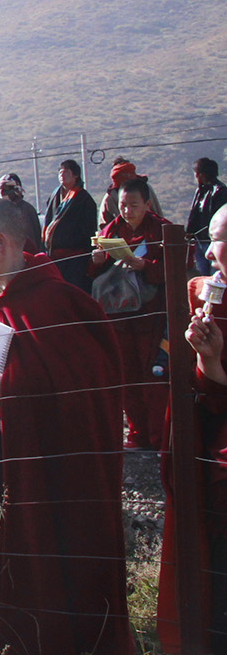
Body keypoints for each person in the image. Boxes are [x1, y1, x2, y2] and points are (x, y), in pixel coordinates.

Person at [0, 198, 132, 655]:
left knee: (46, 570)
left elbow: (90, 389)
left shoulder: (60, 302)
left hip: (43, 468)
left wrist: (16, 389)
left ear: (0, 242)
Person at [156, 203, 227, 653]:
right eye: (214, 240)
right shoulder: (207, 296)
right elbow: (215, 396)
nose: (213, 251)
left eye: (221, 240)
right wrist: (208, 357)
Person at [90, 176, 171, 450]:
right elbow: (96, 275)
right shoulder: (112, 230)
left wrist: (145, 265)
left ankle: (160, 436)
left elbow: (175, 268)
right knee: (126, 375)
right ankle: (137, 433)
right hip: (119, 314)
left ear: (148, 204)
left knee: (154, 375)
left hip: (151, 315)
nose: (127, 211)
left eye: (134, 205)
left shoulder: (162, 230)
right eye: (123, 205)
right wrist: (97, 261)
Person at [42, 158, 99, 290]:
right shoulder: (55, 195)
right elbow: (48, 220)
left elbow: (88, 230)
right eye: (60, 172)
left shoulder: (84, 199)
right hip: (54, 257)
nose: (62, 175)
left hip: (75, 259)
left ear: (76, 175)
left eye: (66, 172)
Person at [187, 157, 227, 275]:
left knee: (216, 273)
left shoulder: (220, 192)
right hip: (199, 239)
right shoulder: (201, 191)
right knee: (203, 275)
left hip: (212, 241)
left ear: (201, 175)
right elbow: (194, 214)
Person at [99, 157, 163, 227]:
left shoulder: (145, 189)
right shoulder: (110, 197)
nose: (128, 210)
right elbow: (104, 225)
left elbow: (157, 213)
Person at [0, 173, 44, 251]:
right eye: (1, 189)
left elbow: (35, 238)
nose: (3, 192)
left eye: (6, 188)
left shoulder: (27, 210)